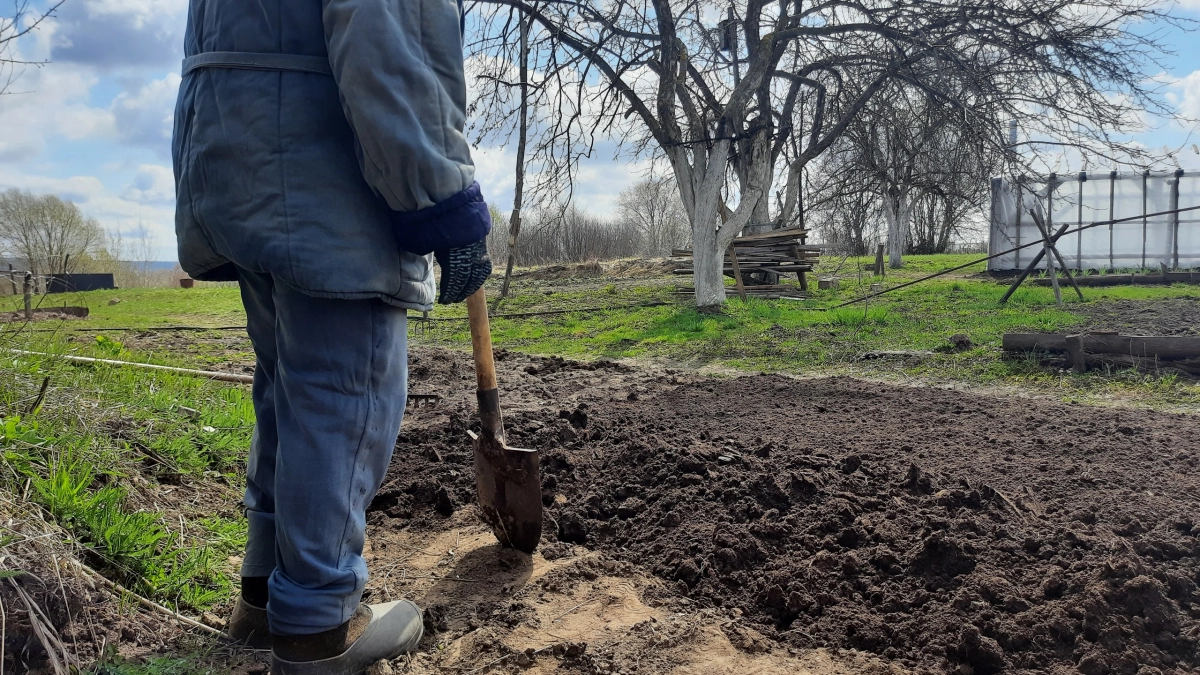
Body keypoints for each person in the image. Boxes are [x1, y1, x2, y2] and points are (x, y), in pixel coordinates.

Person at [171, 0, 492, 669]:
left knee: (288, 381)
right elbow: (392, 40)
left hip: (235, 150)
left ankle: (263, 595)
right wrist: (441, 198)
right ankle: (318, 624)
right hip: (323, 170)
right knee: (343, 394)